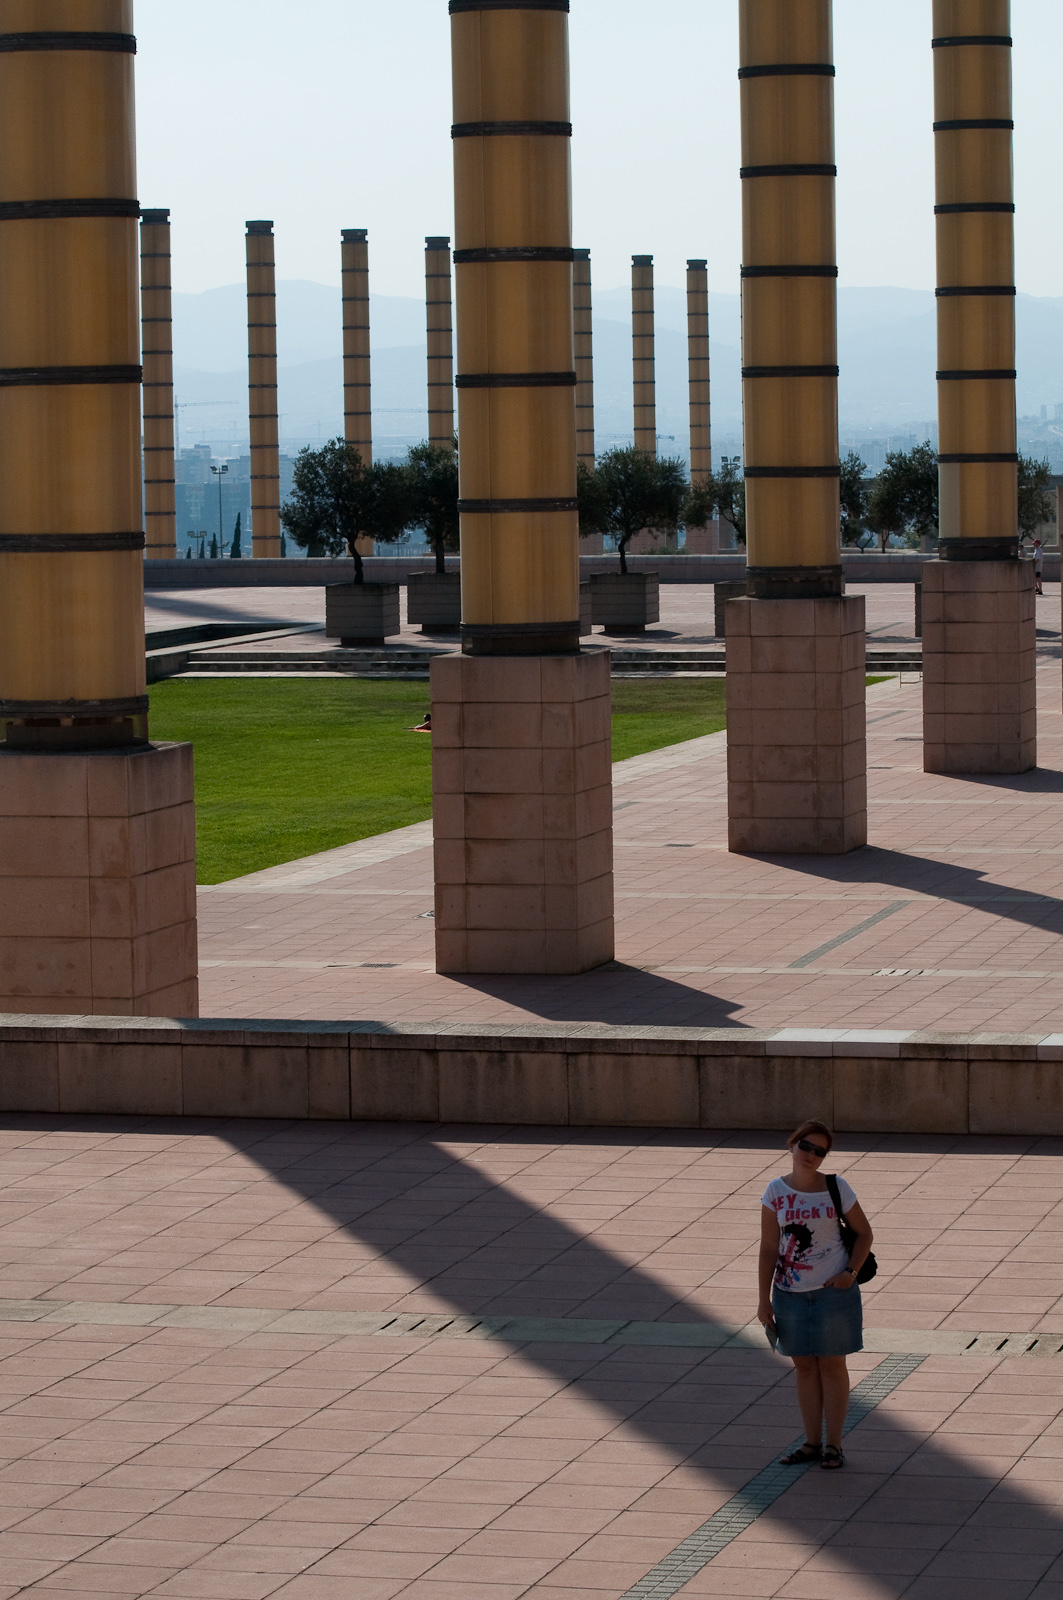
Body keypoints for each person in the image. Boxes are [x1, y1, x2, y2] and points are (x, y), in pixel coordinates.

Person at [757, 1119, 874, 1471]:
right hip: (789, 1294)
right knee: (804, 1368)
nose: (811, 1155)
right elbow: (767, 1247)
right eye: (805, 1146)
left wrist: (849, 1274)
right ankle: (810, 1442)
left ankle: (833, 1446)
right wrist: (764, 1300)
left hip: (833, 1295)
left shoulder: (837, 1188)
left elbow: (864, 1234)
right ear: (791, 1145)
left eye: (819, 1151)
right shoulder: (775, 1191)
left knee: (833, 1365)